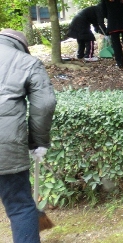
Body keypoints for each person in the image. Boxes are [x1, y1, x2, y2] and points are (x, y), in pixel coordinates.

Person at [0, 29, 57, 243]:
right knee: (20, 207)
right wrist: (38, 143)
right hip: (4, 147)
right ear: (22, 46)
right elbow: (45, 103)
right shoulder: (26, 62)